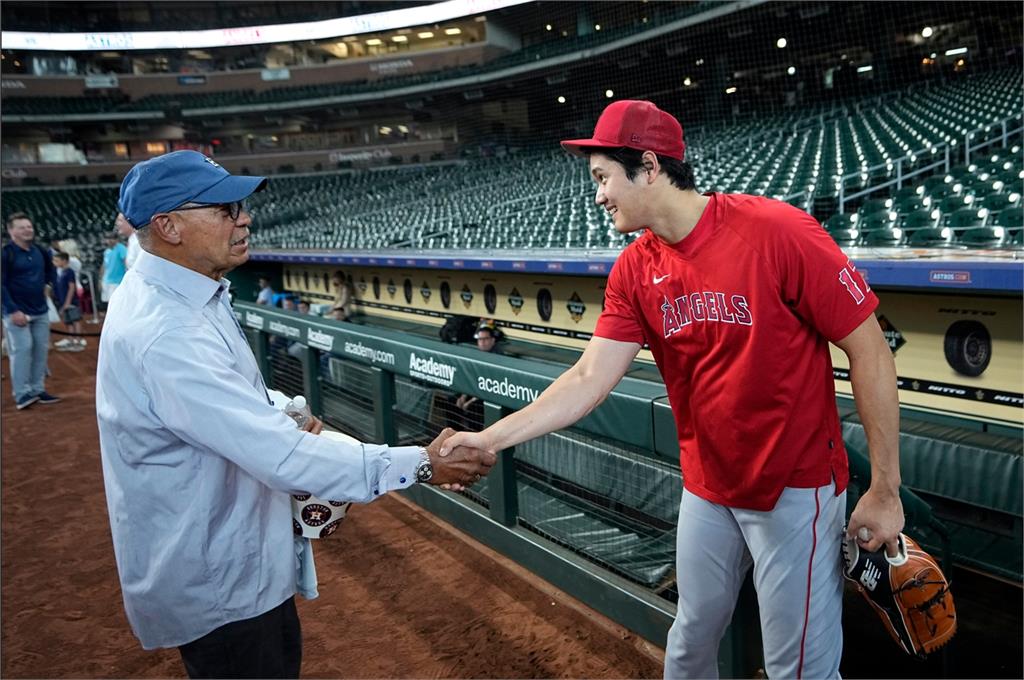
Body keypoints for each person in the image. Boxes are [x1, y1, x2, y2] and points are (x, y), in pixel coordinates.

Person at [441, 100, 904, 680]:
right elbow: (587, 379)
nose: (599, 195)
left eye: (603, 177)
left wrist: (886, 487)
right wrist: (490, 436)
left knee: (800, 670)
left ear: (650, 166)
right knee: (689, 640)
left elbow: (871, 351)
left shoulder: (777, 231)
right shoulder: (635, 268)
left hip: (795, 488)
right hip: (708, 487)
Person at [96, 150, 496, 679]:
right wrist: (422, 462)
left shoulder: (181, 294)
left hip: (229, 559)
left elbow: (239, 405)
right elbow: (283, 459)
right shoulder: (168, 330)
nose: (244, 218)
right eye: (223, 209)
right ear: (168, 226)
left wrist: (281, 412)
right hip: (220, 582)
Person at [2, 212, 61, 409]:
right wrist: (12, 310)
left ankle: (37, 389)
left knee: (40, 350)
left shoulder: (41, 251)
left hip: (40, 310)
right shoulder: (6, 253)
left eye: (29, 226)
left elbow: (50, 272)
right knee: (22, 350)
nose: (28, 230)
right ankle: (21, 394)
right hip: (17, 312)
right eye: (22, 227)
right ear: (11, 231)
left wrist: (48, 285)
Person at [450, 320, 503, 431]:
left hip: (489, 394)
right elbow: (471, 378)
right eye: (480, 339)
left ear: (493, 340)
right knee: (452, 400)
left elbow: (488, 386)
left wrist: (469, 402)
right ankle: (453, 435)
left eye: (485, 339)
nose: (482, 342)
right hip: (475, 390)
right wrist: (463, 397)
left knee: (474, 408)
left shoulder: (497, 357)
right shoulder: (478, 355)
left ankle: (474, 440)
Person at [52, 251, 86, 352]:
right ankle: (71, 340)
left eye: (57, 261)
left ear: (64, 261)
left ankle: (78, 341)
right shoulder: (61, 272)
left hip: (71, 302)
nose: (54, 262)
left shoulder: (69, 272)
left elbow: (72, 288)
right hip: (64, 301)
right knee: (69, 322)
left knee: (75, 321)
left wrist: (67, 302)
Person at [99, 229, 128, 306]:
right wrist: (100, 279)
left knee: (117, 304)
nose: (109, 240)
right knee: (109, 304)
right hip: (106, 281)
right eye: (107, 238)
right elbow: (104, 266)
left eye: (111, 238)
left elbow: (126, 263)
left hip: (117, 281)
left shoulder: (121, 248)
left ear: (116, 239)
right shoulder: (106, 251)